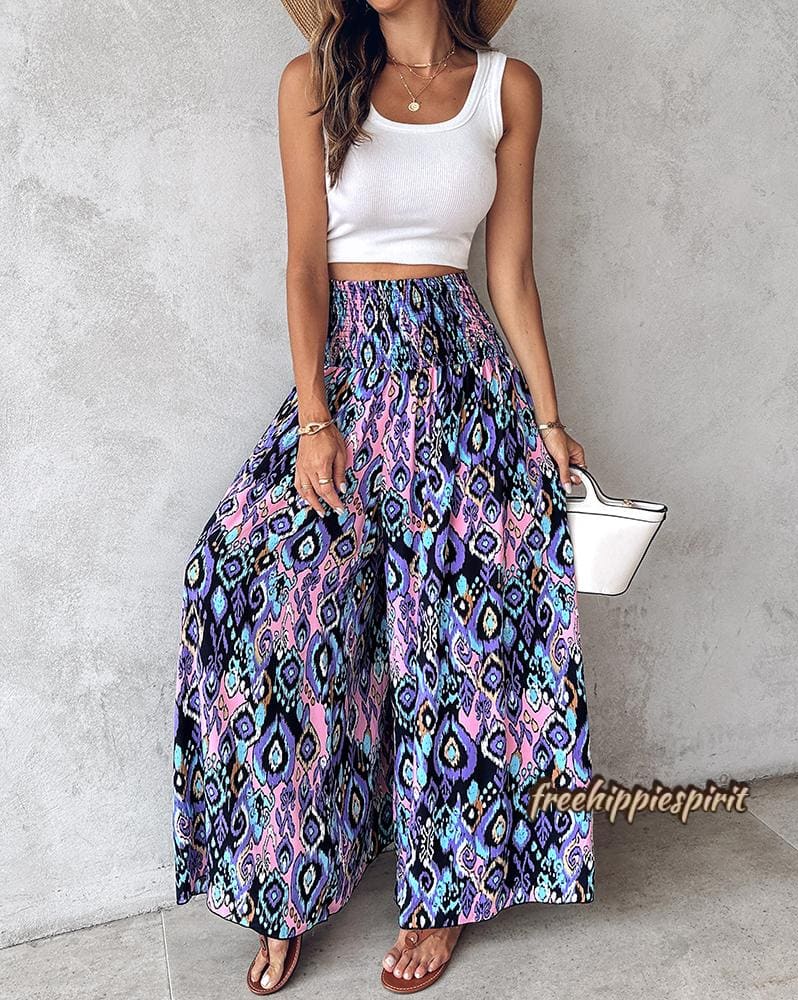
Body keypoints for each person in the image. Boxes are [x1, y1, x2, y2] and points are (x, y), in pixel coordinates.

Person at [172, 0, 595, 994]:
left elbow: (511, 274)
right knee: (245, 588)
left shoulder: (507, 89)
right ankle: (280, 882)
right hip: (350, 380)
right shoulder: (312, 83)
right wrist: (314, 418)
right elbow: (304, 266)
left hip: (462, 382)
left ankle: (442, 893)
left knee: (452, 637)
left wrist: (546, 420)